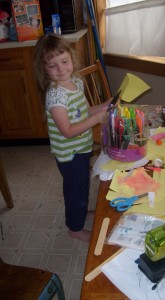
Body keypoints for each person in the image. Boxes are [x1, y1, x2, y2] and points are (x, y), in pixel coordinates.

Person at [34, 33, 111, 242]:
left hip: (82, 147)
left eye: (64, 61)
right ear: (44, 69)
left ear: (71, 57)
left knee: (82, 185)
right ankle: (75, 229)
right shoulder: (55, 95)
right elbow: (67, 130)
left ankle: (82, 213)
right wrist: (97, 120)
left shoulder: (76, 81)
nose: (61, 69)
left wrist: (104, 106)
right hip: (69, 153)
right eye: (52, 65)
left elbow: (86, 111)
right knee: (75, 190)